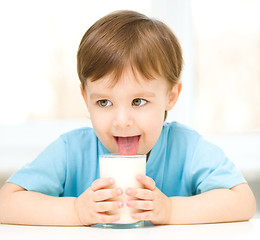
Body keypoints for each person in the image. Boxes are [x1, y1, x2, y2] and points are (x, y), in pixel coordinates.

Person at [0, 10, 256, 226]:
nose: (121, 120)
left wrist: (171, 210)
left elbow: (243, 201)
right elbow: (6, 203)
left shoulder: (187, 148)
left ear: (171, 95)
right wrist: (75, 210)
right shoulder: (71, 151)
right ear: (85, 98)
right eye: (104, 102)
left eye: (138, 101)